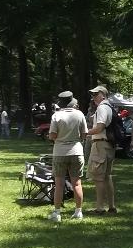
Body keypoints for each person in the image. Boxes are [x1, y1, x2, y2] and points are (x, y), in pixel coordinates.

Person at [47, 91, 88, 222]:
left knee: (59, 184)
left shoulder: (56, 115)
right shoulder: (80, 114)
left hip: (60, 152)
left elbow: (52, 135)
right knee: (77, 183)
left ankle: (57, 213)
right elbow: (84, 134)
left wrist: (58, 137)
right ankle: (78, 211)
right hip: (76, 151)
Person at [85, 85, 117, 214]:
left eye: (96, 94)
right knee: (107, 176)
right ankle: (111, 206)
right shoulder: (109, 107)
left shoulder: (102, 107)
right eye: (92, 94)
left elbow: (100, 127)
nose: (93, 97)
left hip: (101, 145)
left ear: (103, 95)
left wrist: (86, 132)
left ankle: (99, 208)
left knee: (99, 178)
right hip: (108, 145)